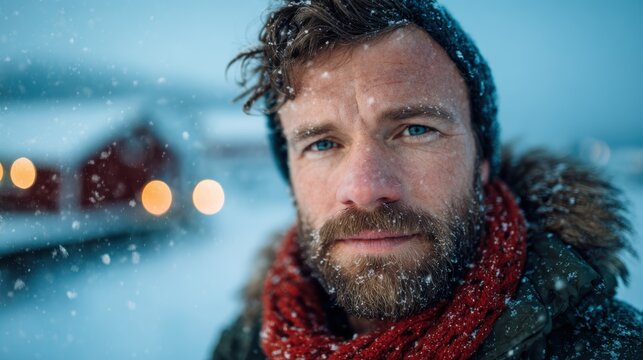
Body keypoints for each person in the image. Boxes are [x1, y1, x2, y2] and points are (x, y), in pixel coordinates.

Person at [213, 0, 642, 358]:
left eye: (416, 129)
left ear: (482, 160)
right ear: (290, 175)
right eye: (322, 144)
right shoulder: (243, 345)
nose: (364, 189)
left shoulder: (606, 347)